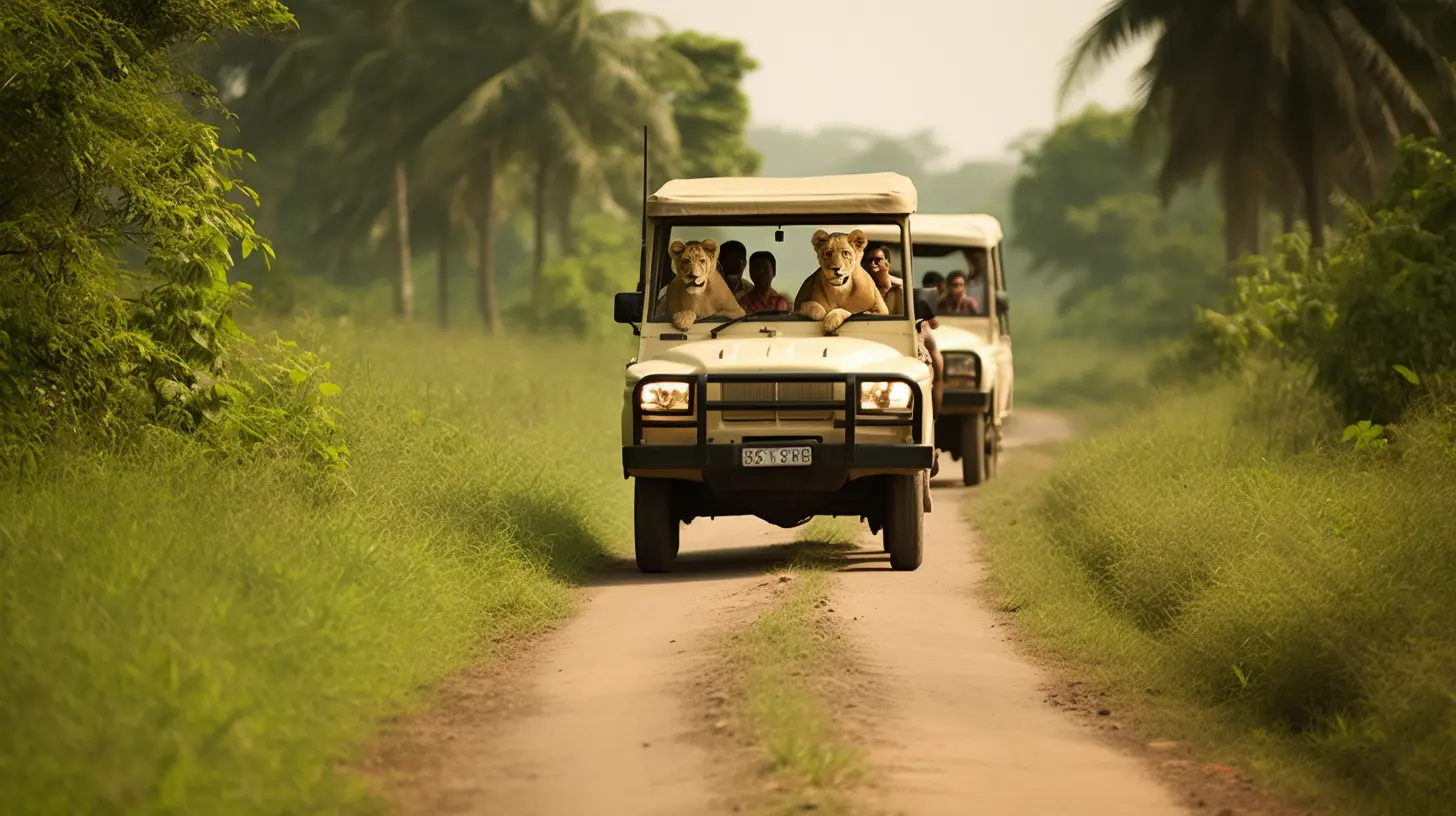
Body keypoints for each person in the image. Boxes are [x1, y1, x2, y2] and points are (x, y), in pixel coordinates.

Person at [863, 243, 905, 314]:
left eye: (877, 260)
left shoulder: (900, 285)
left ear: (886, 261)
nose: (873, 263)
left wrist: (885, 276)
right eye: (870, 260)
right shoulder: (866, 286)